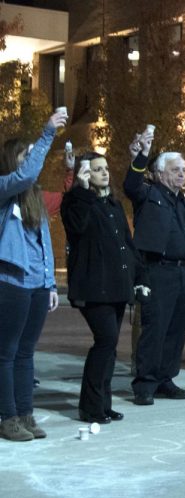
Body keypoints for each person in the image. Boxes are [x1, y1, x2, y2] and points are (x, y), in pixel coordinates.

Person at [0, 110, 67, 441]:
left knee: (27, 353)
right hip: (10, 282)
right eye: (25, 156)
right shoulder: (4, 189)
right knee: (6, 353)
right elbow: (23, 177)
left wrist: (51, 283)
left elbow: (44, 244)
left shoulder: (34, 198)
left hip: (37, 285)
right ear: (13, 160)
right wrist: (46, 135)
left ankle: (25, 414)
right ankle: (7, 417)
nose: (32, 163)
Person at [124, 130, 185, 405]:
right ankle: (145, 383)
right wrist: (142, 155)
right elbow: (131, 185)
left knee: (176, 329)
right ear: (159, 174)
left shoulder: (184, 203)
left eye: (183, 170)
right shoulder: (148, 193)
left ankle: (165, 378)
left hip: (183, 273)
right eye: (175, 170)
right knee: (155, 328)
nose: (182, 174)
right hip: (157, 271)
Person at [62, 152, 139, 424]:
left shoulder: (113, 203)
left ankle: (103, 405)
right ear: (86, 174)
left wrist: (137, 277)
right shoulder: (75, 201)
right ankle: (90, 407)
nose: (105, 173)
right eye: (97, 169)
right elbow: (76, 227)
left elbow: (126, 244)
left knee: (110, 346)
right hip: (94, 287)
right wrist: (81, 190)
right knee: (105, 341)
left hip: (117, 286)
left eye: (106, 168)